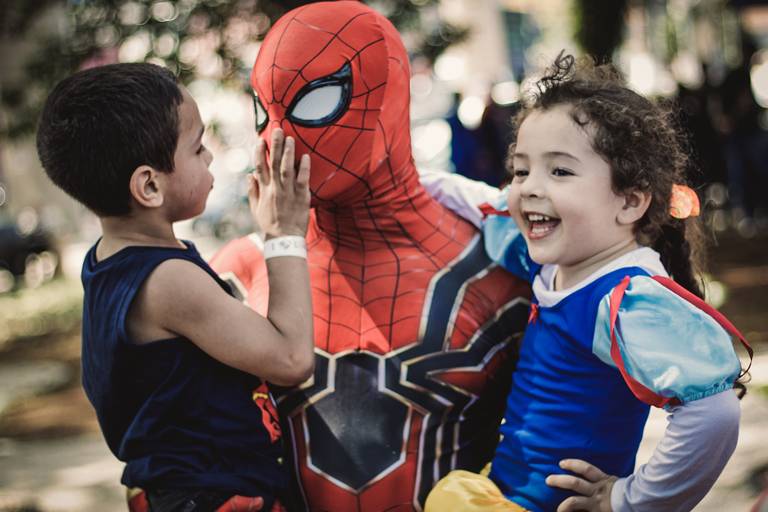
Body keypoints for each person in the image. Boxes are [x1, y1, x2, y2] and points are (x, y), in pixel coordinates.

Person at [209, 2, 531, 510]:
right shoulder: (234, 276)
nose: (274, 139)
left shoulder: (501, 273)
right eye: (262, 112)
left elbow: (560, 446)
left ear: (387, 97)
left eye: (314, 102)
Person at [422, 53, 752, 511]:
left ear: (630, 202)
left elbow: (713, 413)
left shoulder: (626, 298)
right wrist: (410, 182)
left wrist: (630, 499)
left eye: (559, 170)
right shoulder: (556, 259)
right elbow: (486, 204)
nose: (530, 187)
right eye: (521, 169)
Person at [35, 62, 315, 512]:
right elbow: (291, 357)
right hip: (216, 498)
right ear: (148, 185)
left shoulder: (106, 260)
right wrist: (284, 233)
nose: (209, 158)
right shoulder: (168, 281)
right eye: (198, 147)